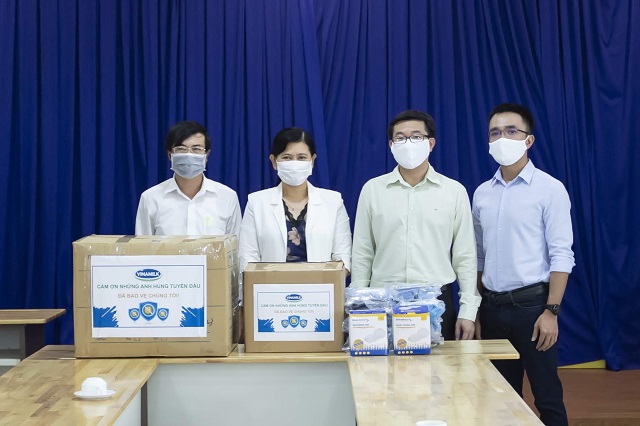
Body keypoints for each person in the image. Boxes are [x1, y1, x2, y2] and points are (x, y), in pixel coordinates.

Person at [473, 103, 574, 425]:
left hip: (533, 309)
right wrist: (477, 308)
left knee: (547, 397)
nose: (502, 138)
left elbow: (562, 254)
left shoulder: (549, 189)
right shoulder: (482, 194)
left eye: (511, 131)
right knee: (500, 399)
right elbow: (478, 256)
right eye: (495, 133)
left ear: (528, 140)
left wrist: (552, 312)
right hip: (492, 309)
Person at [351, 110, 480, 341]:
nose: (408, 143)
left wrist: (468, 311)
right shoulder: (373, 190)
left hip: (436, 302)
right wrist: (359, 304)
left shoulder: (454, 192)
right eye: (400, 138)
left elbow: (465, 256)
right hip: (383, 301)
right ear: (391, 145)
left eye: (416, 136)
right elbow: (362, 252)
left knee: (439, 365)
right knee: (383, 365)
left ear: (431, 143)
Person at [238, 127, 352, 273]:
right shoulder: (256, 202)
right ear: (274, 161)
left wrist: (328, 281)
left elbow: (342, 256)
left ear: (312, 161)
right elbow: (247, 258)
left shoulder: (333, 202)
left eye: (302, 157)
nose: (294, 163)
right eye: (287, 157)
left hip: (321, 286)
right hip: (269, 286)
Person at [135, 121, 241, 236]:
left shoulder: (227, 197)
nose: (189, 154)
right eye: (181, 149)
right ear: (170, 155)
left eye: (196, 149)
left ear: (206, 155)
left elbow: (235, 244)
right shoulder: (151, 198)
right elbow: (142, 245)